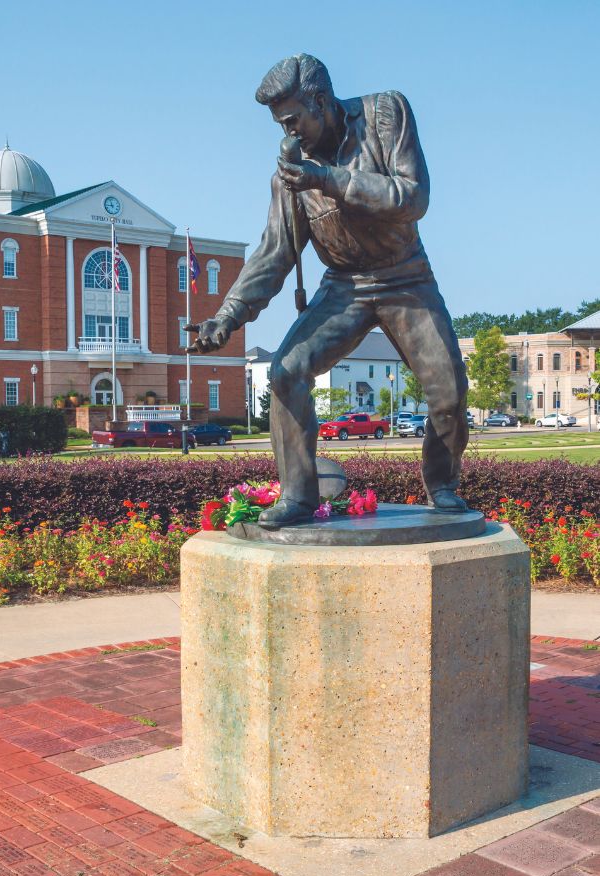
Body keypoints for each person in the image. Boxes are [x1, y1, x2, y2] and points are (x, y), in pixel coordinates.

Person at [188, 54, 468, 528]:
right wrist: (228, 315)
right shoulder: (290, 175)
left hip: (407, 278)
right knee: (286, 372)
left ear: (320, 101)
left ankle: (441, 484)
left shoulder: (385, 114)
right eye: (280, 123)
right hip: (344, 287)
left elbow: (412, 196)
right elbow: (275, 253)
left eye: (293, 119)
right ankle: (298, 496)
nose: (287, 132)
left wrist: (329, 180)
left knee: (449, 395)